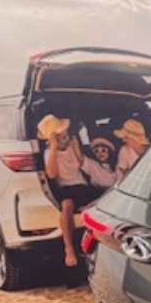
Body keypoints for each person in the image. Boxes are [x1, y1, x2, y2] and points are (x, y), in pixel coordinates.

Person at [39, 114, 95, 268]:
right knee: (67, 205)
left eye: (66, 135)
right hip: (65, 188)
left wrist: (76, 147)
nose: (66, 138)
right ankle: (69, 248)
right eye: (62, 137)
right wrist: (54, 148)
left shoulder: (72, 146)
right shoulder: (49, 153)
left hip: (81, 184)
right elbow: (51, 174)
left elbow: (82, 164)